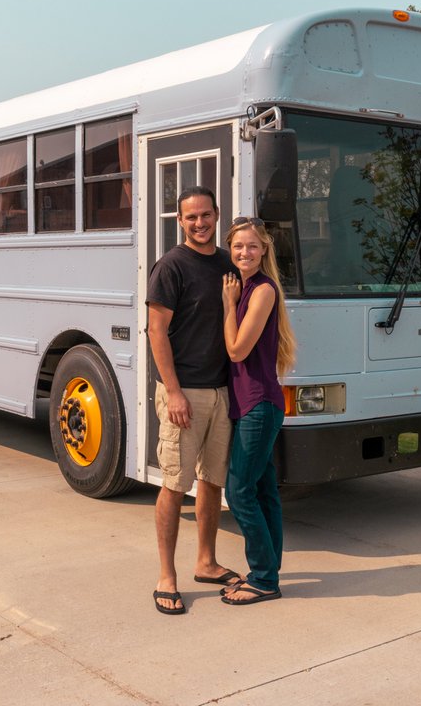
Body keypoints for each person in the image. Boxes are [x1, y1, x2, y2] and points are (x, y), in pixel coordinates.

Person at [146, 186, 241, 615]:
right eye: (191, 217)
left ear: (217, 214)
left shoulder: (227, 263)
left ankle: (206, 562)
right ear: (179, 221)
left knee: (212, 481)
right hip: (184, 393)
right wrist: (173, 391)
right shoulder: (171, 266)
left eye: (205, 215)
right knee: (174, 484)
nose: (199, 223)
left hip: (222, 391)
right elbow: (156, 331)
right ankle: (166, 576)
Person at [220, 216, 296, 605]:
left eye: (252, 246)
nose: (244, 252)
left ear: (264, 249)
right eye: (238, 246)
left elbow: (237, 350)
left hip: (259, 405)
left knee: (238, 493)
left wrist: (228, 305)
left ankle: (264, 578)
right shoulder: (247, 286)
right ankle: (267, 571)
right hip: (253, 404)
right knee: (264, 493)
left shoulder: (262, 290)